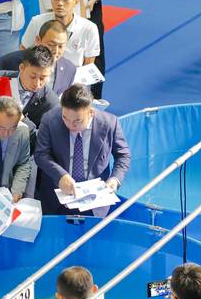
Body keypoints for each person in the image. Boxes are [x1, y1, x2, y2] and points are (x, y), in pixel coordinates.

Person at [35, 84, 131, 216]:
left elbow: (123, 155)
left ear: (91, 113)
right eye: (65, 118)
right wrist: (61, 175)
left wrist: (115, 179)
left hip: (95, 203)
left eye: (77, 120)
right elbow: (41, 154)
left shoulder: (110, 123)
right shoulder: (50, 119)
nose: (70, 125)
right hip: (57, 199)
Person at [20, 0, 100, 68]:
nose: (60, 3)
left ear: (76, 2)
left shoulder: (89, 29)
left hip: (74, 80)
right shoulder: (37, 22)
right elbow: (22, 52)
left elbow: (88, 65)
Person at [0, 20, 76, 96]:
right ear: (38, 40)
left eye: (61, 46)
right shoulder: (9, 61)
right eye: (51, 44)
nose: (56, 51)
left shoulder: (69, 69)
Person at [0, 45, 61, 129]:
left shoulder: (50, 102)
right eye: (33, 77)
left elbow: (45, 139)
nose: (37, 84)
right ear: (22, 68)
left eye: (43, 78)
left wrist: (23, 120)